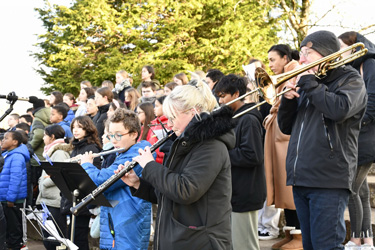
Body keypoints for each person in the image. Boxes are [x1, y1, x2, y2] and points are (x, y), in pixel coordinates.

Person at [116, 79, 235, 249]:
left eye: (172, 118)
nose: (169, 125)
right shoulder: (183, 143)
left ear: (193, 112)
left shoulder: (211, 146)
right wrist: (137, 183)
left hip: (201, 241)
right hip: (181, 238)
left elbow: (185, 190)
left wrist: (150, 166)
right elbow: (166, 192)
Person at [277, 30, 367, 250]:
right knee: (310, 246)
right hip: (302, 179)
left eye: (308, 53)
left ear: (326, 53)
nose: (302, 59)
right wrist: (288, 101)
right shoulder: (311, 83)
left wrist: (309, 83)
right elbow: (286, 127)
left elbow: (339, 109)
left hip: (328, 180)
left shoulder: (351, 79)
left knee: (326, 246)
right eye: (302, 53)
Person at [80, 108, 152, 250]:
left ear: (134, 134)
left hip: (128, 224)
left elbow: (103, 181)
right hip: (117, 221)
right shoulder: (123, 153)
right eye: (111, 135)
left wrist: (87, 165)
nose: (113, 140)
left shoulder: (137, 154)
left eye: (118, 135)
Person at [215, 74, 266, 250]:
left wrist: (221, 154)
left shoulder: (249, 119)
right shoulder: (235, 117)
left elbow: (253, 155)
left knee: (245, 245)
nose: (220, 101)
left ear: (236, 94)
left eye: (223, 96)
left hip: (245, 192)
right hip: (235, 191)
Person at [262, 44, 302, 249]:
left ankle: (299, 235)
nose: (270, 64)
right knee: (281, 183)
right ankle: (290, 231)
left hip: (286, 138)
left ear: (285, 58)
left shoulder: (295, 70)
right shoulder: (283, 74)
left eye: (272, 59)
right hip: (278, 134)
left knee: (288, 184)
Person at [338, 31, 375, 249]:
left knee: (351, 187)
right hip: (360, 137)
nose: (339, 53)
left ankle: (357, 239)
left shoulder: (370, 63)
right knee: (360, 190)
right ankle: (366, 240)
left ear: (354, 48)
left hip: (367, 139)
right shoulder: (356, 68)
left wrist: (354, 124)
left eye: (342, 48)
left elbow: (373, 102)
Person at [61, 116, 102, 250]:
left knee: (79, 238)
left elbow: (93, 174)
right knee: (72, 237)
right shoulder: (76, 147)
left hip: (83, 198)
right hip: (73, 196)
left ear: (87, 128)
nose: (75, 130)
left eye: (80, 127)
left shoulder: (91, 148)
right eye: (73, 127)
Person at [36, 124, 70, 250]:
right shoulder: (51, 151)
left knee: (56, 238)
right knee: (48, 236)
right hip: (48, 199)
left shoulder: (60, 152)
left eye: (45, 135)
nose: (43, 138)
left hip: (55, 201)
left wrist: (44, 183)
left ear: (52, 137)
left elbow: (60, 172)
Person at [0, 131, 29, 250]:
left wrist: (11, 198)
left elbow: (15, 178)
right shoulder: (8, 154)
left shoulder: (17, 156)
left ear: (15, 142)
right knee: (7, 229)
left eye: (6, 138)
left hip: (13, 200)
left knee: (14, 229)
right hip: (5, 198)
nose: (3, 140)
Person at [151, 95, 172, 164]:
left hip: (161, 161)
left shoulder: (168, 124)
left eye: (157, 106)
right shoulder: (155, 123)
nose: (154, 109)